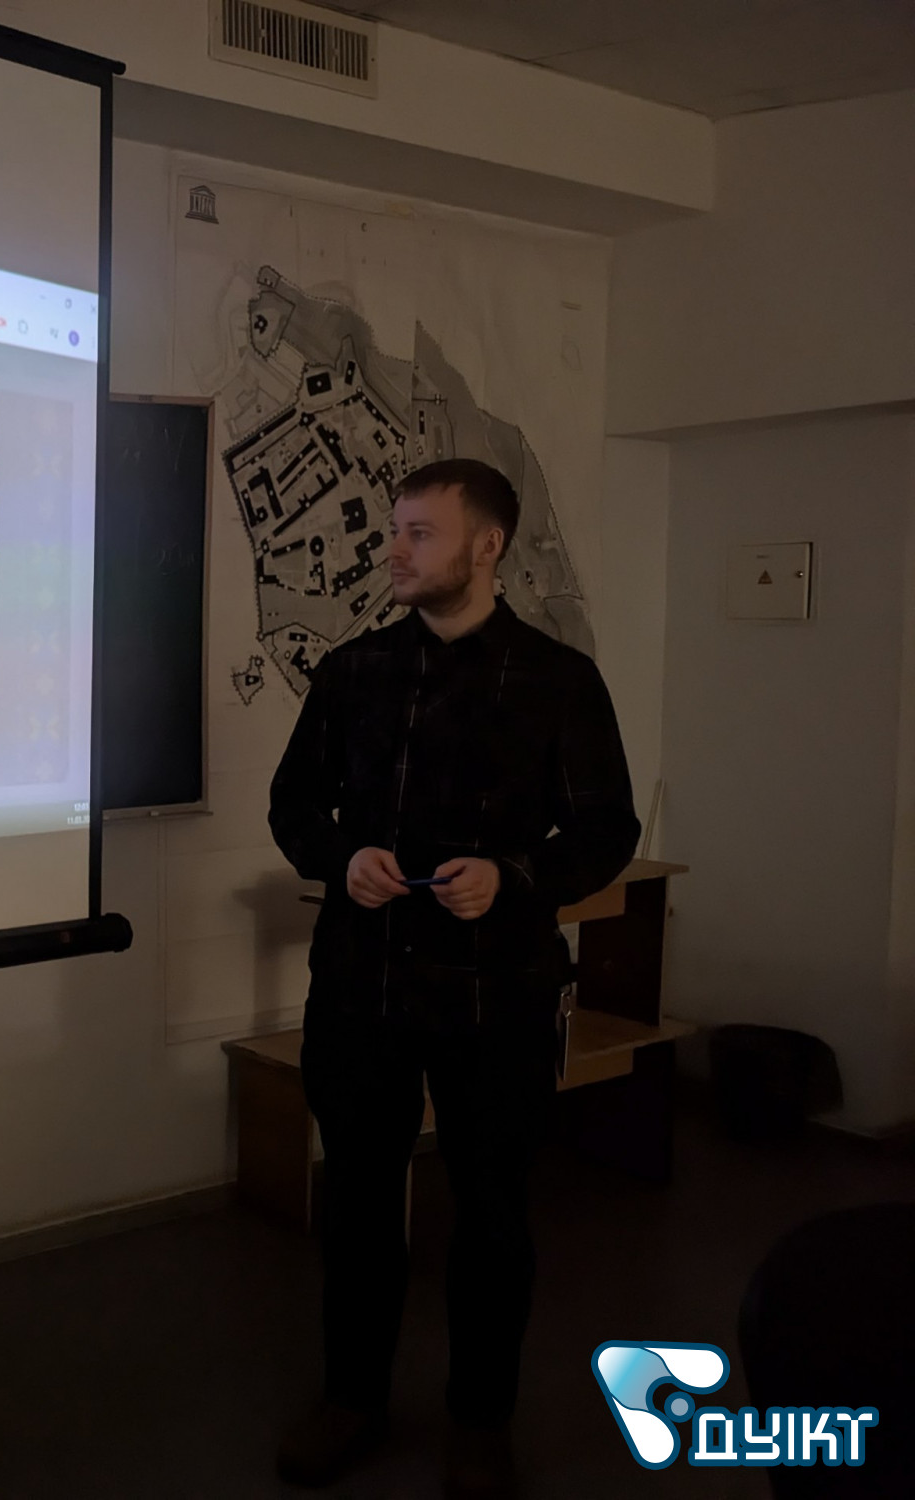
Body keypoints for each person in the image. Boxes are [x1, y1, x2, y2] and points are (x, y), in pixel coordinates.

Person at [266, 458, 639, 1500]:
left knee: (492, 1215)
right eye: (393, 529)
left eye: (417, 533)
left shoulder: (558, 680)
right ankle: (352, 1397)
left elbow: (605, 830)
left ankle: (481, 1420)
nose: (392, 549)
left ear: (486, 546)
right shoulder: (351, 673)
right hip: (362, 987)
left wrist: (513, 878)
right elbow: (293, 805)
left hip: (498, 993)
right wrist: (341, 857)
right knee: (356, 1203)